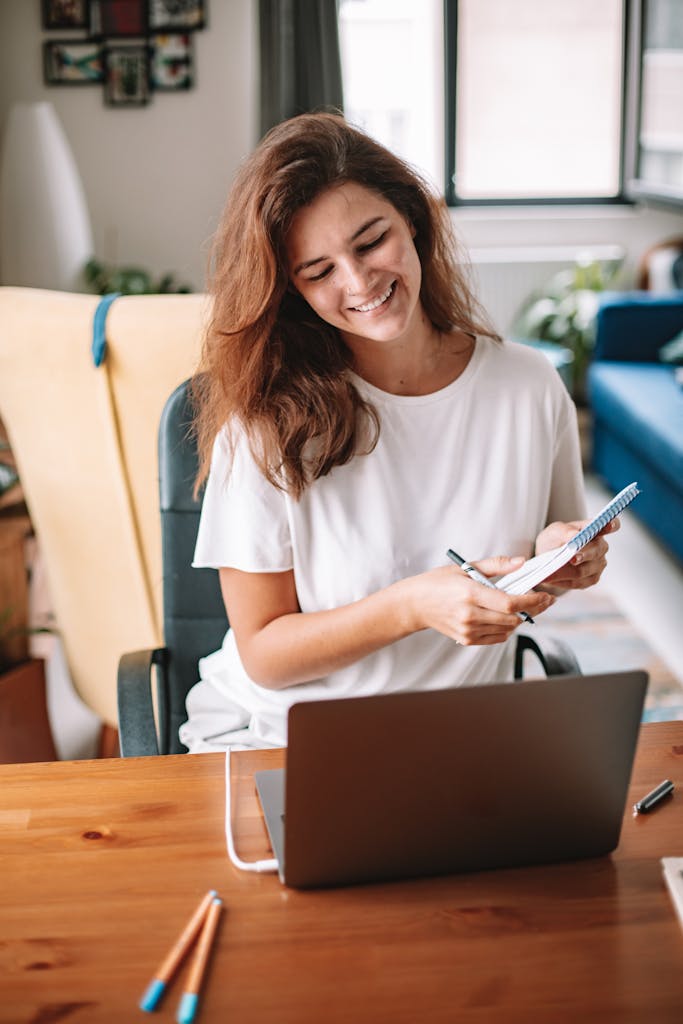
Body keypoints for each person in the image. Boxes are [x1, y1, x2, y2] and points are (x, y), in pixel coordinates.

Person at [179, 112, 616, 753]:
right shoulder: (266, 426)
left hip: (463, 741)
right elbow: (265, 655)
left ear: (412, 217)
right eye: (318, 271)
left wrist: (559, 560)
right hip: (290, 738)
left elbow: (543, 557)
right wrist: (410, 607)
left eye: (370, 241)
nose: (359, 283)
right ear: (290, 289)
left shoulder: (528, 386)